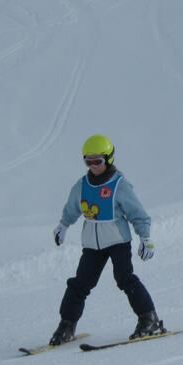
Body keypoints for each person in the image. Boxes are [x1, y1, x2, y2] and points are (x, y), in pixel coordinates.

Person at [49, 134, 162, 345]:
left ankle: (149, 319)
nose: (93, 166)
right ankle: (66, 325)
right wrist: (63, 225)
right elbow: (72, 208)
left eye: (98, 161)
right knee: (79, 284)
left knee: (125, 279)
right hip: (92, 245)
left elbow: (137, 214)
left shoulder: (119, 185)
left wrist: (145, 237)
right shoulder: (82, 186)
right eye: (88, 161)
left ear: (109, 159)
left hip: (118, 241)